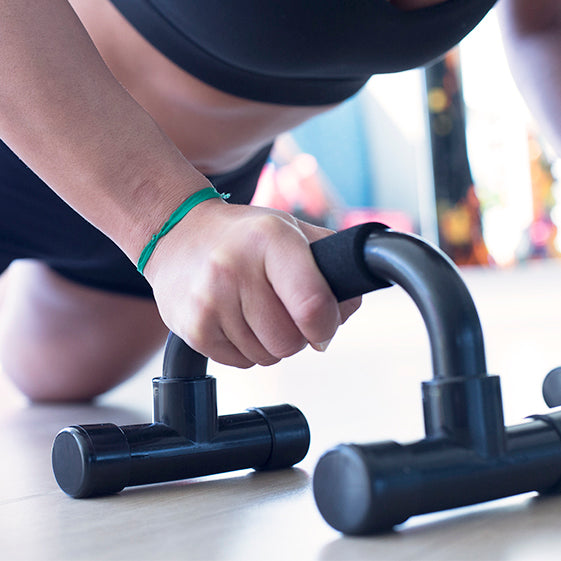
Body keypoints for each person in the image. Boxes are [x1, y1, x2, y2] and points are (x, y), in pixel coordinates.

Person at [0, 0, 548, 402]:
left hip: (205, 192)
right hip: (81, 159)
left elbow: (546, 25)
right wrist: (164, 224)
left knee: (55, 379)